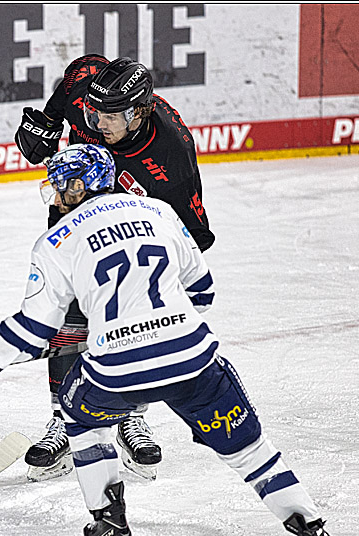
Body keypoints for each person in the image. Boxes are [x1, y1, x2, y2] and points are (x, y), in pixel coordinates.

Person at [0, 144, 354, 536]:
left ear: (78, 187)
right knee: (251, 453)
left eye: (59, 188)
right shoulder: (159, 211)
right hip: (193, 360)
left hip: (116, 372)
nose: (55, 199)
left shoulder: (55, 241)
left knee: (79, 419)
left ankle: (111, 524)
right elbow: (204, 293)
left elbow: (34, 329)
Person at [12, 54, 215, 482]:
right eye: (93, 113)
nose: (98, 123)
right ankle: (63, 418)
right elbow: (64, 97)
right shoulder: (86, 84)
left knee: (125, 321)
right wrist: (44, 128)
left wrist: (154, 282)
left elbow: (192, 232)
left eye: (110, 117)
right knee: (67, 318)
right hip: (71, 212)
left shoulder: (171, 154)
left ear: (139, 112)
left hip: (131, 239)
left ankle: (129, 414)